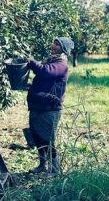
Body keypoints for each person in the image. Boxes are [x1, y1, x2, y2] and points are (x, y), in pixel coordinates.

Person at [27, 37, 74, 174]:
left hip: (49, 108)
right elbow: (45, 80)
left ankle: (55, 170)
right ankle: (42, 165)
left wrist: (31, 62)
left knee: (47, 139)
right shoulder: (51, 60)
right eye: (54, 43)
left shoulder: (61, 64)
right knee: (37, 137)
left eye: (57, 45)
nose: (53, 46)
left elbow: (45, 71)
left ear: (64, 49)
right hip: (38, 105)